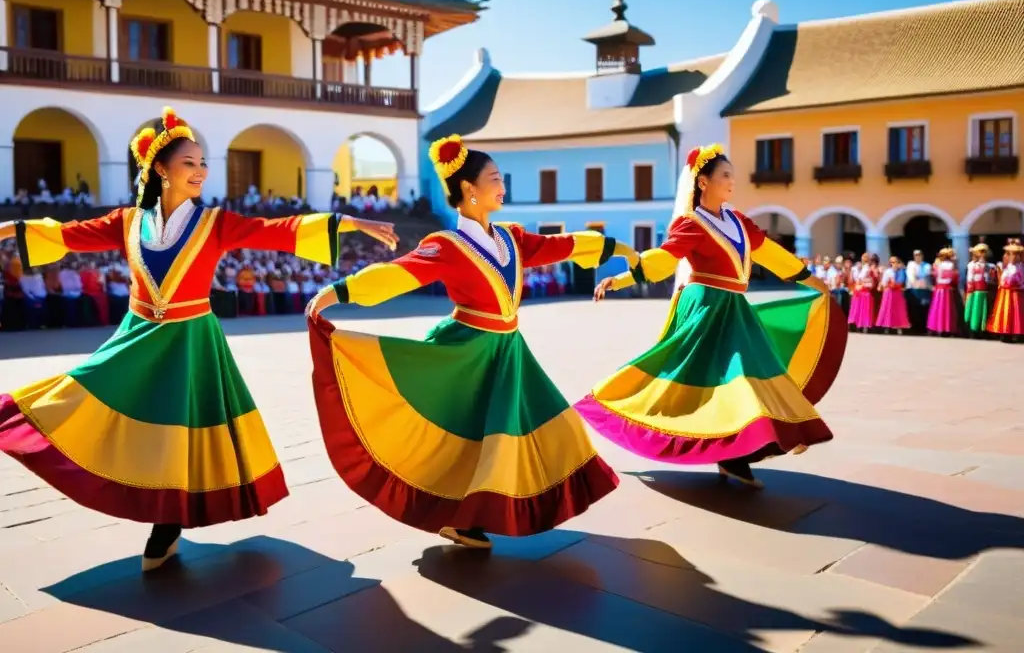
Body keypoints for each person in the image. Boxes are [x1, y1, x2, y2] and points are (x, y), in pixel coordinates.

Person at [0, 106, 397, 573]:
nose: (200, 171)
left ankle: (166, 524)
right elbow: (69, 235)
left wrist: (352, 222)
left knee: (180, 431)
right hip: (140, 335)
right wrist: (10, 228)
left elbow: (279, 231)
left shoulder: (215, 223)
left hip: (191, 341)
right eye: (189, 162)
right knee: (88, 397)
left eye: (202, 163)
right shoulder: (128, 221)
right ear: (160, 170)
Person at [305, 134, 630, 549]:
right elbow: (396, 275)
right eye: (494, 177)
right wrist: (334, 294)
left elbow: (560, 246)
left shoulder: (510, 237)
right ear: (468, 189)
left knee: (544, 430)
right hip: (468, 354)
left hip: (509, 354)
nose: (502, 184)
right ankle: (462, 518)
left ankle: (471, 516)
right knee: (466, 439)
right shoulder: (447, 245)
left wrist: (612, 247)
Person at [577, 144, 846, 489]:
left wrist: (813, 281)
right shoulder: (691, 223)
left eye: (733, 175)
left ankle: (737, 453)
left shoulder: (739, 222)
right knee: (706, 380)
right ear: (703, 182)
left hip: (734, 310)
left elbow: (773, 255)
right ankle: (622, 409)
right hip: (704, 307)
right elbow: (663, 260)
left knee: (749, 377)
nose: (732, 181)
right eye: (725, 175)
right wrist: (625, 277)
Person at [987, 239, 1023, 343]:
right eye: (1011, 254)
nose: (1013, 257)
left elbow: (1018, 280)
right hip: (1005, 293)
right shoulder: (1008, 267)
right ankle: (1005, 333)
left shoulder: (1020, 267)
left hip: (1016, 293)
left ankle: (1015, 334)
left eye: (1016, 255)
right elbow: (1004, 279)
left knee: (1015, 314)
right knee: (1005, 313)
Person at [926, 248, 962, 337]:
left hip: (940, 289)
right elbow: (953, 278)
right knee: (947, 309)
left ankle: (937, 328)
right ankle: (947, 328)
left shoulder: (940, 265)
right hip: (947, 289)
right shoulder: (951, 265)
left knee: (938, 308)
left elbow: (937, 277)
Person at [964, 243, 993, 338]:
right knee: (975, 310)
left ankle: (982, 329)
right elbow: (970, 278)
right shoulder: (973, 265)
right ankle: (973, 330)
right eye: (981, 252)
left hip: (984, 290)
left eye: (984, 252)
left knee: (984, 310)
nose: (983, 254)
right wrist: (970, 290)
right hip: (975, 291)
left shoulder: (988, 265)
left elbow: (988, 279)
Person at [875, 256, 910, 333]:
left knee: (898, 309)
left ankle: (899, 327)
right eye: (892, 262)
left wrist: (897, 284)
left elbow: (904, 282)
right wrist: (889, 284)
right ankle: (887, 326)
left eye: (896, 262)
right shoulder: (888, 271)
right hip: (889, 293)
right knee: (888, 309)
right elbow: (884, 283)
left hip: (897, 292)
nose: (894, 264)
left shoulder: (901, 272)